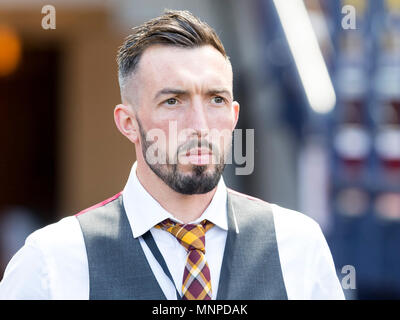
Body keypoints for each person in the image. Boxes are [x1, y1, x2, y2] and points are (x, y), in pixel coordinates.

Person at [0, 10, 344, 300]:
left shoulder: (297, 245)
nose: (199, 124)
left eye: (216, 99)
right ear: (128, 123)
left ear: (234, 116)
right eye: (173, 101)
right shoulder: (52, 261)